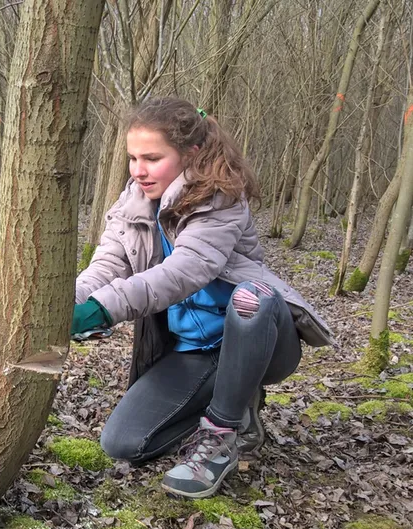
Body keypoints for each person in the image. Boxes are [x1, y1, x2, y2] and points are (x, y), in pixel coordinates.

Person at [72, 97, 334, 499]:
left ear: (189, 153)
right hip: (194, 353)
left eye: (152, 158)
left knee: (252, 298)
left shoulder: (221, 197)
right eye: (132, 158)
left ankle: (223, 432)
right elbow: (104, 268)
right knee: (123, 443)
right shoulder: (131, 204)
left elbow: (185, 271)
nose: (138, 170)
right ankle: (236, 405)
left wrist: (106, 309)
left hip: (260, 339)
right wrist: (66, 305)